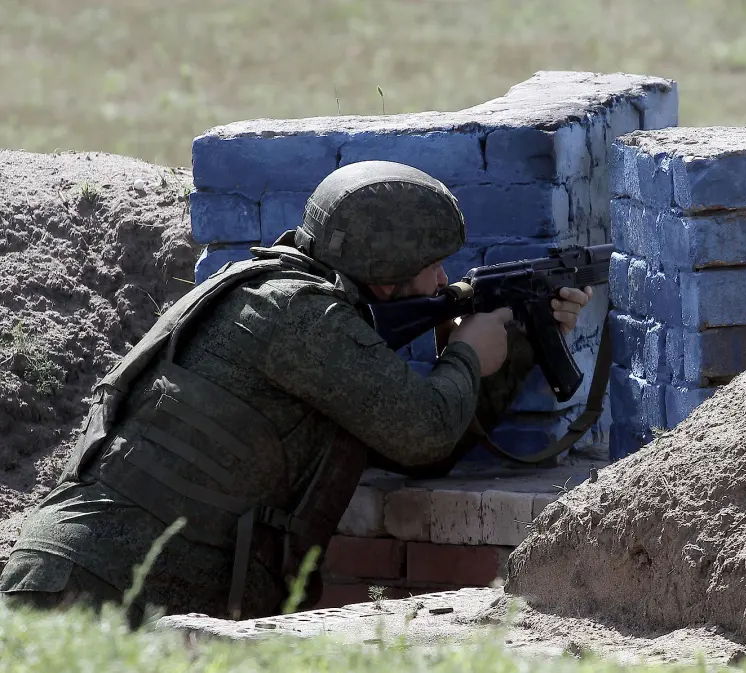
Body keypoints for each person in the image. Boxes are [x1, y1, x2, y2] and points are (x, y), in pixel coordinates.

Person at [0, 160, 593, 622]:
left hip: (113, 583)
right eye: (434, 266)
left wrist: (510, 346)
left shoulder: (289, 298)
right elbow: (421, 430)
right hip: (93, 589)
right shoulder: (300, 317)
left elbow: (422, 444)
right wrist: (467, 351)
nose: (445, 280)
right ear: (386, 280)